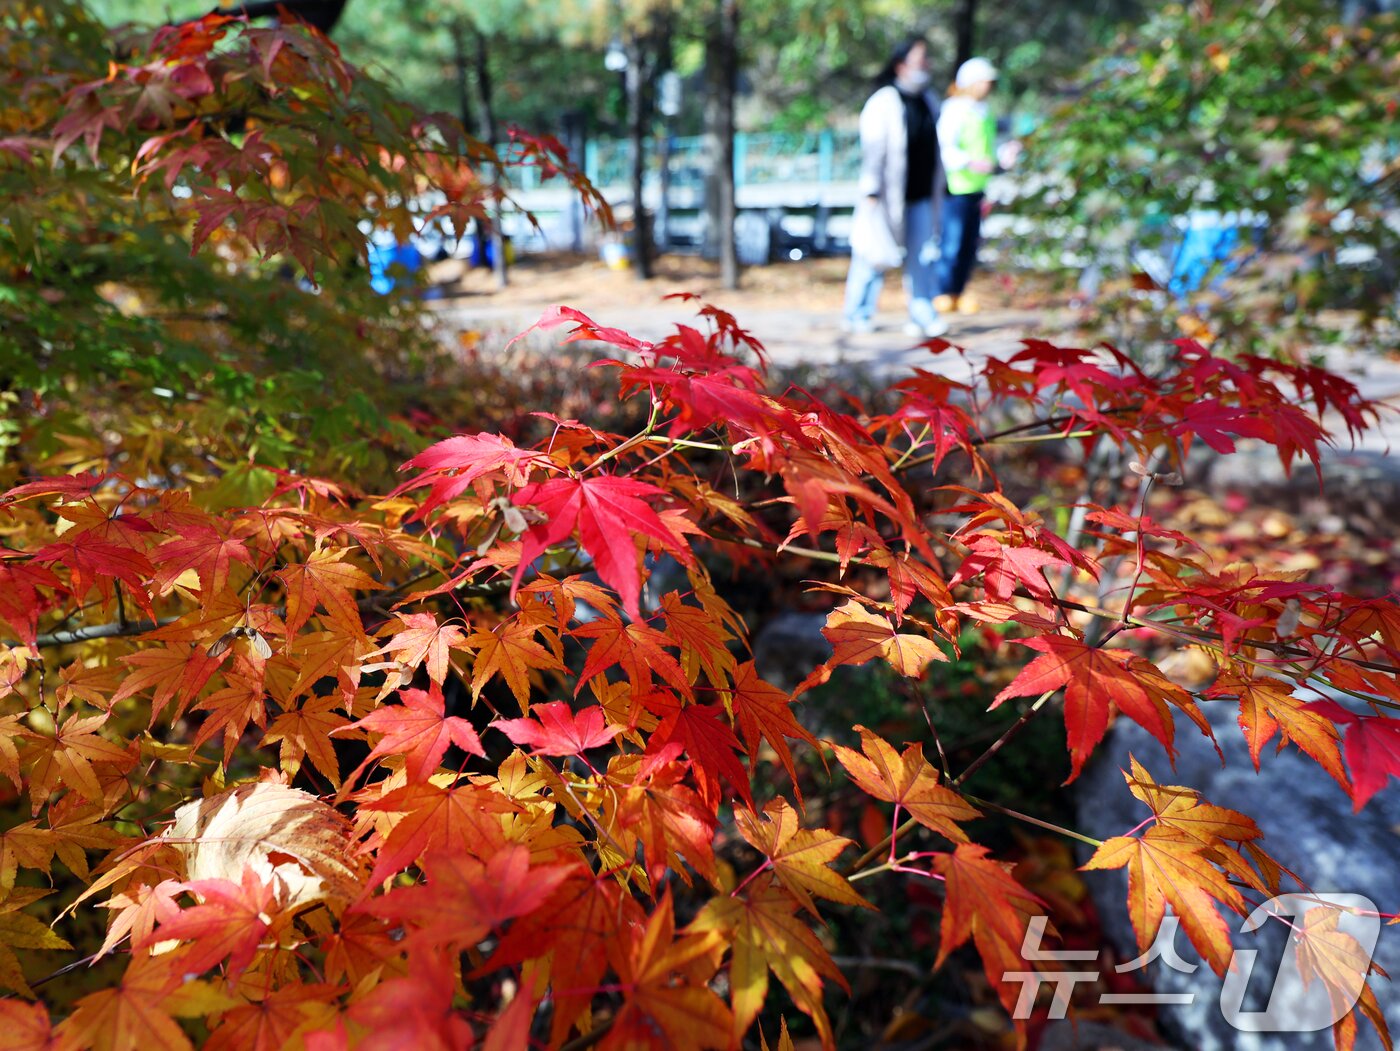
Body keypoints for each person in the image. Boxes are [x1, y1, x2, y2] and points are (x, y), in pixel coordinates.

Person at [842, 38, 949, 338]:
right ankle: (857, 313)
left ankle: (922, 313)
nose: (927, 64)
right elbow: (873, 152)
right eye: (921, 59)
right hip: (885, 196)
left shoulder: (928, 100)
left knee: (924, 256)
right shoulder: (884, 102)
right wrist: (871, 191)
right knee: (872, 253)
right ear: (901, 65)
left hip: (923, 195)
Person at [934, 56, 1010, 316]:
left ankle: (958, 291)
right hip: (956, 189)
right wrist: (969, 163)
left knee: (969, 245)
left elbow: (987, 147)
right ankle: (943, 292)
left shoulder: (984, 111)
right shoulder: (955, 109)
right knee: (952, 244)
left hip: (978, 188)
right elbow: (946, 149)